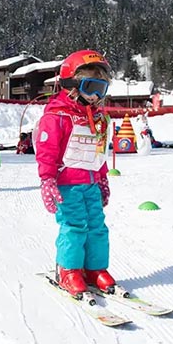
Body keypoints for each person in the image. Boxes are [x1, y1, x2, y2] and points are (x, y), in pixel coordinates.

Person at [35, 49, 114, 298]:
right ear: (71, 84)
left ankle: (94, 269)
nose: (95, 96)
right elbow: (46, 151)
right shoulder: (56, 117)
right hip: (66, 185)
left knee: (97, 227)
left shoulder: (98, 118)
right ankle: (68, 270)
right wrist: (47, 180)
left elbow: (98, 152)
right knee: (74, 226)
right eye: (90, 87)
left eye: (101, 90)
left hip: (90, 183)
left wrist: (102, 178)